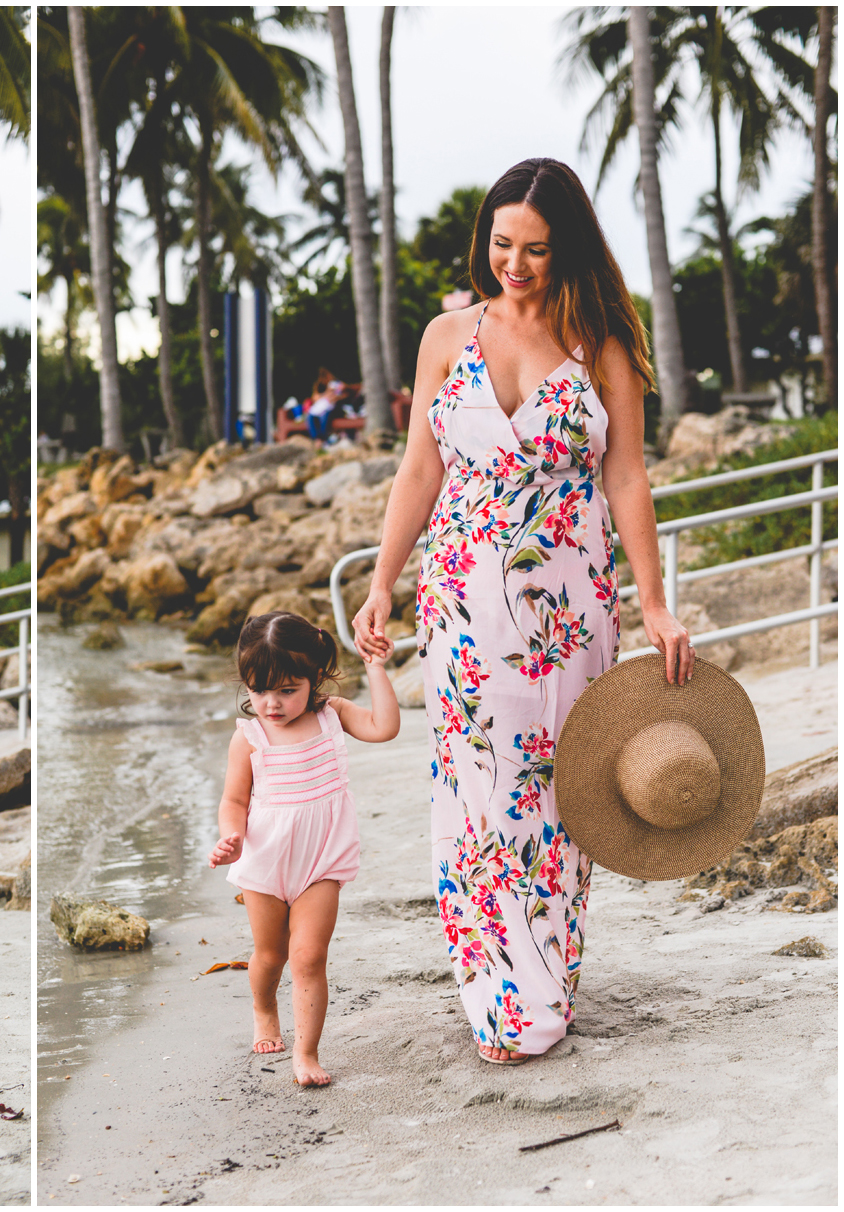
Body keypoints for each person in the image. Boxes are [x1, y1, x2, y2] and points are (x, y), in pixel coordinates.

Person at [351, 157, 694, 1066]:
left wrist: (653, 601)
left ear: (567, 247)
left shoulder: (600, 343)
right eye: (502, 244)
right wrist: (383, 580)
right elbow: (419, 468)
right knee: (476, 794)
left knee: (553, 790)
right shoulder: (445, 334)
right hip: (460, 604)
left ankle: (544, 982)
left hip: (566, 607)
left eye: (535, 249)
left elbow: (626, 475)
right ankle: (495, 992)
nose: (514, 263)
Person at [207, 612, 400, 1087]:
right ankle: (264, 1008)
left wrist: (375, 667)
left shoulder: (332, 716)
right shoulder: (249, 737)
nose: (271, 704)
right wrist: (230, 838)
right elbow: (233, 801)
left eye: (287, 690)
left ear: (314, 678)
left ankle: (306, 1053)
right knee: (270, 955)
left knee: (310, 955)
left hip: (321, 862)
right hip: (265, 862)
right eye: (259, 690)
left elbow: (385, 727)